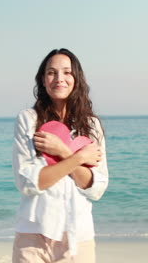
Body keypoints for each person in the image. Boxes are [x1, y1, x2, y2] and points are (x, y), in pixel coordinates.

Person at [12, 48, 109, 263]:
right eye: (51, 72)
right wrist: (77, 158)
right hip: (32, 237)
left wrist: (62, 151)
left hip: (79, 238)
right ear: (43, 80)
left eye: (67, 72)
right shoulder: (28, 120)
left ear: (76, 79)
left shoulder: (92, 125)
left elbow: (96, 188)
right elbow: (28, 183)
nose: (59, 79)